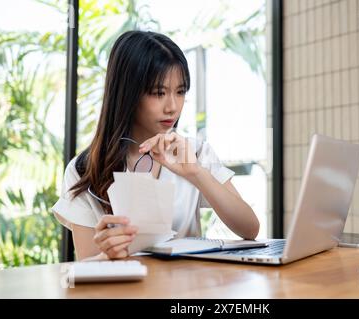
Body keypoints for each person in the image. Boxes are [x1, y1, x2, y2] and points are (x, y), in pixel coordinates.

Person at [52, 30, 260, 260]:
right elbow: (85, 265)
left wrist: (195, 172)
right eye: (158, 92)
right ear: (127, 93)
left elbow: (249, 229)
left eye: (180, 92)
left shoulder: (195, 152)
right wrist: (106, 255)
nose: (172, 106)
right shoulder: (84, 168)